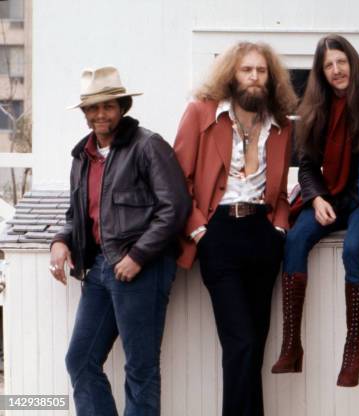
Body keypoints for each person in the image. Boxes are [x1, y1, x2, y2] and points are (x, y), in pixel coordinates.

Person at [50, 66, 191, 416]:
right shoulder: (82, 156)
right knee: (80, 361)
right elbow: (77, 213)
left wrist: (139, 256)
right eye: (93, 108)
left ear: (123, 106)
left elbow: (175, 207)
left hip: (142, 269)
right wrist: (61, 240)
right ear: (84, 113)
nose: (101, 114)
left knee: (140, 369)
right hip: (98, 269)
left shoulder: (148, 145)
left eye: (108, 106)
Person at [173, 42, 297, 416]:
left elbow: (283, 188)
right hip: (219, 235)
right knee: (240, 341)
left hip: (262, 235)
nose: (255, 77)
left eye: (261, 71)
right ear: (232, 74)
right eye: (247, 70)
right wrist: (199, 231)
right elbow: (177, 180)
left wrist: (278, 227)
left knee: (253, 345)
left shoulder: (282, 126)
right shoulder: (202, 113)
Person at [271, 34, 359, 387]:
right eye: (328, 65)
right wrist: (316, 198)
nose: (336, 70)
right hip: (329, 197)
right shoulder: (315, 108)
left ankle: (352, 349)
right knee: (295, 239)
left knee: (354, 248)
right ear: (322, 72)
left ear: (352, 62)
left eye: (340, 61)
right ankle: (291, 343)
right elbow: (307, 166)